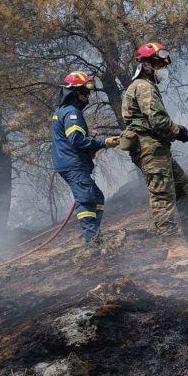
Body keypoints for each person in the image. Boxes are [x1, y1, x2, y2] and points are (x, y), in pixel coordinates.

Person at [120, 42, 188, 256]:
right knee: (163, 194)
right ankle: (174, 247)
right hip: (149, 148)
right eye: (159, 65)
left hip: (158, 148)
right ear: (148, 66)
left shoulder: (147, 87)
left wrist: (186, 135)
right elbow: (159, 122)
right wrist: (185, 134)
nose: (163, 70)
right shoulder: (142, 87)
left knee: (183, 190)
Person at [51, 71, 120, 248]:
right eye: (85, 92)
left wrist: (89, 151)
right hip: (73, 165)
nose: (88, 96)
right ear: (75, 93)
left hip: (70, 163)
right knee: (88, 200)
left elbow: (69, 141)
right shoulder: (72, 112)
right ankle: (92, 243)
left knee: (96, 198)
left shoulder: (62, 111)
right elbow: (76, 139)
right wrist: (103, 143)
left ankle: (94, 236)